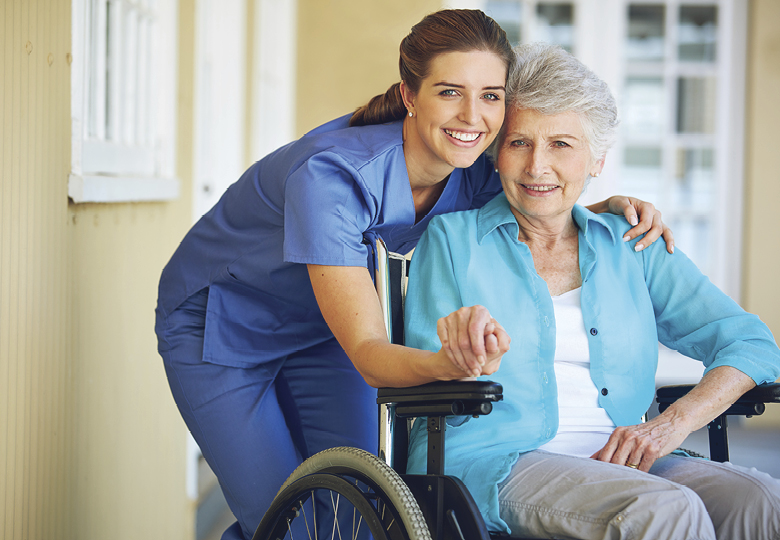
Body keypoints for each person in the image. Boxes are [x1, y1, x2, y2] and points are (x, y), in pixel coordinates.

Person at [155, 11, 672, 540]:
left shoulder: (473, 173)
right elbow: (368, 352)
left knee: (360, 513)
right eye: (450, 92)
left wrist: (609, 206)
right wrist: (443, 363)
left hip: (322, 330)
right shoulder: (332, 176)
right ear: (409, 94)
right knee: (289, 522)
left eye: (491, 95)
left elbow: (542, 198)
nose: (473, 116)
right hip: (221, 329)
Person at [404, 42, 780, 540]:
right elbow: (426, 365)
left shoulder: (633, 243)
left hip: (620, 456)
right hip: (496, 461)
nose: (537, 167)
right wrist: (462, 350)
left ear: (597, 159)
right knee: (663, 510)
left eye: (562, 144)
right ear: (495, 154)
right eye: (519, 143)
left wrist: (674, 422)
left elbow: (750, 343)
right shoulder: (453, 240)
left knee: (760, 501)